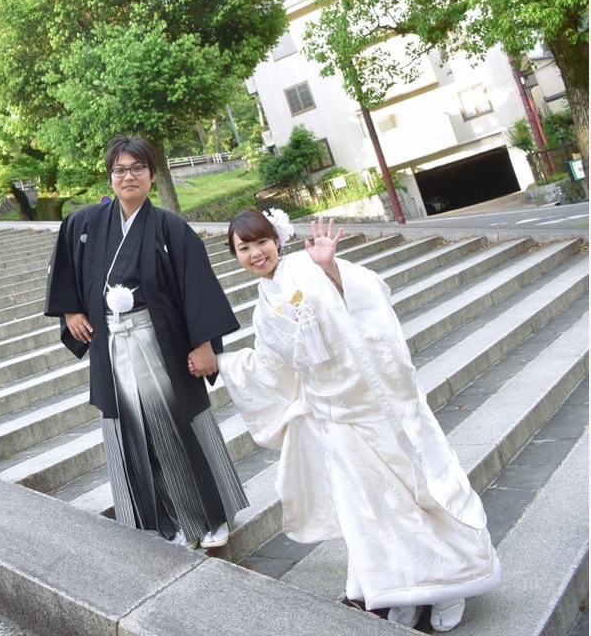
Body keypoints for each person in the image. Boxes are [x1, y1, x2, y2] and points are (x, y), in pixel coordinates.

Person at [217, 210, 500, 631]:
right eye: (244, 248)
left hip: (372, 402)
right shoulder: (263, 309)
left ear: (277, 239)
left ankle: (450, 584)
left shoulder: (308, 264)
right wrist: (222, 364)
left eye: (261, 241)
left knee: (411, 493)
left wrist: (330, 268)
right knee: (370, 509)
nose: (256, 253)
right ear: (236, 256)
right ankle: (401, 589)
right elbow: (271, 369)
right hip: (332, 417)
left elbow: (367, 295)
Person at [44, 136, 246, 549]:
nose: (128, 176)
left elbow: (198, 287)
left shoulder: (171, 228)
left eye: (138, 168)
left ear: (152, 176)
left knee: (180, 425)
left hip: (161, 343)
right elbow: (64, 264)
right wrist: (70, 311)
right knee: (132, 433)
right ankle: (164, 524)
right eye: (119, 169)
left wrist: (205, 344)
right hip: (112, 345)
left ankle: (211, 516)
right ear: (110, 177)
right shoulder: (85, 224)